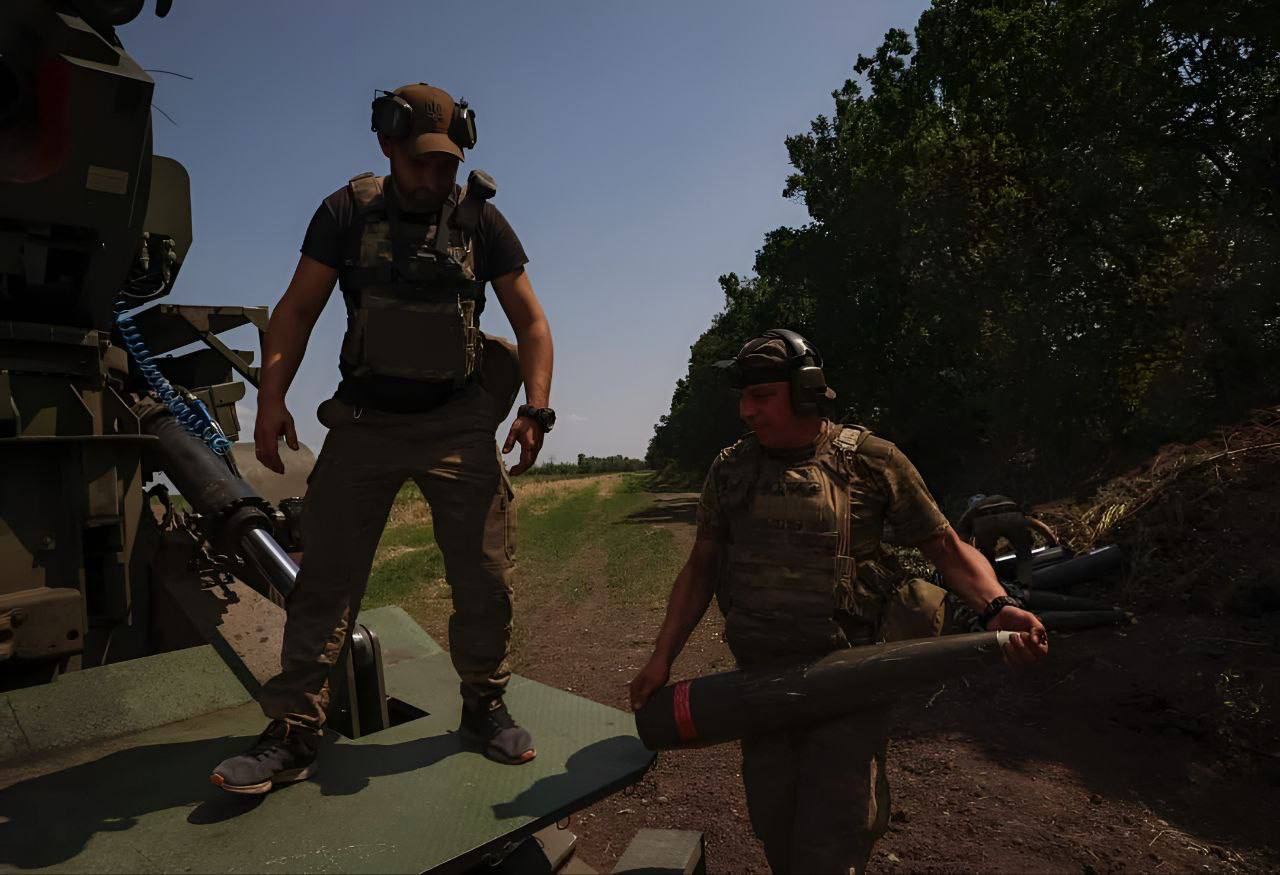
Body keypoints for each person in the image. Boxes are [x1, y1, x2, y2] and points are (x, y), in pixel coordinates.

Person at [212, 83, 556, 793]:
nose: (435, 177)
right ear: (388, 145)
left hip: (457, 422)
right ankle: (295, 730)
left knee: (485, 576)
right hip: (365, 422)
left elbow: (532, 322)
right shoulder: (346, 212)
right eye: (422, 161)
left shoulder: (482, 223)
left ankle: (483, 703)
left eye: (447, 164)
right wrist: (271, 398)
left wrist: (536, 409)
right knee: (324, 581)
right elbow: (297, 309)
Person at [628, 329, 1047, 874]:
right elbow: (700, 568)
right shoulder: (730, 469)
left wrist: (997, 606)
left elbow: (946, 548)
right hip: (761, 680)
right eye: (743, 397)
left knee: (834, 832)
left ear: (806, 391)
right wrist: (661, 657)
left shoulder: (872, 461)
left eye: (762, 396)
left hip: (848, 677)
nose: (747, 411)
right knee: (775, 819)